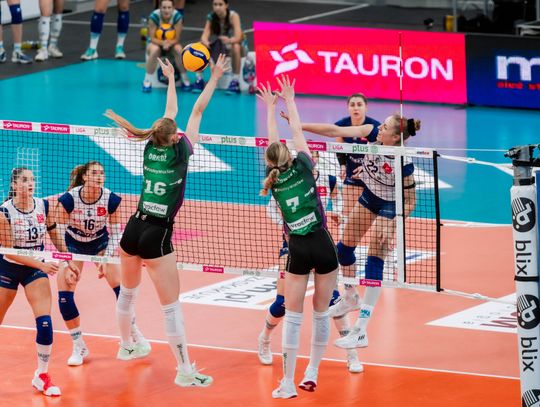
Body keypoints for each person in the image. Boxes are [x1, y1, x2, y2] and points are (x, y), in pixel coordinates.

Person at [105, 55, 228, 387]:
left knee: (127, 294)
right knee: (171, 307)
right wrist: (214, 77)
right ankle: (185, 370)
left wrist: (172, 77)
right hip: (157, 234)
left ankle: (127, 345)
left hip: (133, 228)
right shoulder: (181, 151)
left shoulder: (150, 146)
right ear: (175, 137)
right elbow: (196, 111)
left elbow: (170, 114)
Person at [284, 114, 420, 349]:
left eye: (386, 127)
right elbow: (333, 131)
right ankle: (350, 296)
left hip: (391, 206)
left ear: (395, 137)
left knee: (374, 259)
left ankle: (360, 331)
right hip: (370, 196)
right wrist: (299, 125)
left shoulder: (403, 162)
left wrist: (392, 223)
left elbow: (410, 201)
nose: (380, 127)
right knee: (343, 249)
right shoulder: (372, 132)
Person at [258, 77, 339, 399]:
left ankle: (288, 382)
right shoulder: (305, 165)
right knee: (321, 313)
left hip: (297, 249)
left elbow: (274, 142)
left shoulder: (274, 182)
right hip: (323, 244)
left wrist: (269, 108)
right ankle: (312, 372)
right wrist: (289, 100)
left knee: (293, 317)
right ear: (290, 157)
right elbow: (295, 133)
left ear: (271, 163)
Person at [258, 149, 364, 374]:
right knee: (283, 302)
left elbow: (336, 200)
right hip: (293, 242)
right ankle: (264, 338)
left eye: (316, 153)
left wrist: (334, 213)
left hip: (319, 239)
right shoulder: (287, 179)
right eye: (310, 154)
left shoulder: (329, 179)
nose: (313, 157)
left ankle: (351, 353)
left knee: (334, 300)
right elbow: (272, 211)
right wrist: (290, 225)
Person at [53, 161, 149, 366]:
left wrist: (105, 258)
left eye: (102, 173)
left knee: (122, 292)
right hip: (72, 244)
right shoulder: (69, 199)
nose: (99, 176)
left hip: (100, 243)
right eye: (94, 173)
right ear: (85, 177)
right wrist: (66, 262)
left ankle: (134, 334)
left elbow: (116, 233)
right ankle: (78, 345)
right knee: (64, 294)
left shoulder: (110, 199)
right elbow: (58, 233)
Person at [0, 168, 79, 396]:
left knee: (45, 322)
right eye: (24, 180)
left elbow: (55, 235)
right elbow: (9, 252)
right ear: (14, 185)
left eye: (32, 179)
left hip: (34, 271)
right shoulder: (4, 212)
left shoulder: (43, 206)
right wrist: (42, 264)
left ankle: (41, 376)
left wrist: (67, 261)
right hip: (8, 267)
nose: (30, 183)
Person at [143, 0, 191, 93]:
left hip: (171, 43)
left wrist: (169, 43)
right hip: (156, 43)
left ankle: (185, 79)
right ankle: (147, 80)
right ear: (160, 8)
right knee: (155, 49)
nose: (166, 10)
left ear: (173, 8)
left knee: (178, 49)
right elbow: (152, 38)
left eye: (169, 8)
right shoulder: (154, 17)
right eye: (164, 7)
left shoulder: (177, 17)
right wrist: (163, 43)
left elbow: (177, 38)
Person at [198, 0, 244, 94]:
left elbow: (238, 37)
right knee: (200, 45)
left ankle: (235, 81)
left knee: (236, 46)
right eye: (215, 4)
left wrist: (229, 40)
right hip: (219, 45)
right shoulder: (211, 17)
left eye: (220, 4)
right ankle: (199, 79)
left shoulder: (233, 16)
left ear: (226, 5)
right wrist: (205, 42)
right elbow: (204, 35)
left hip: (233, 44)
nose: (217, 7)